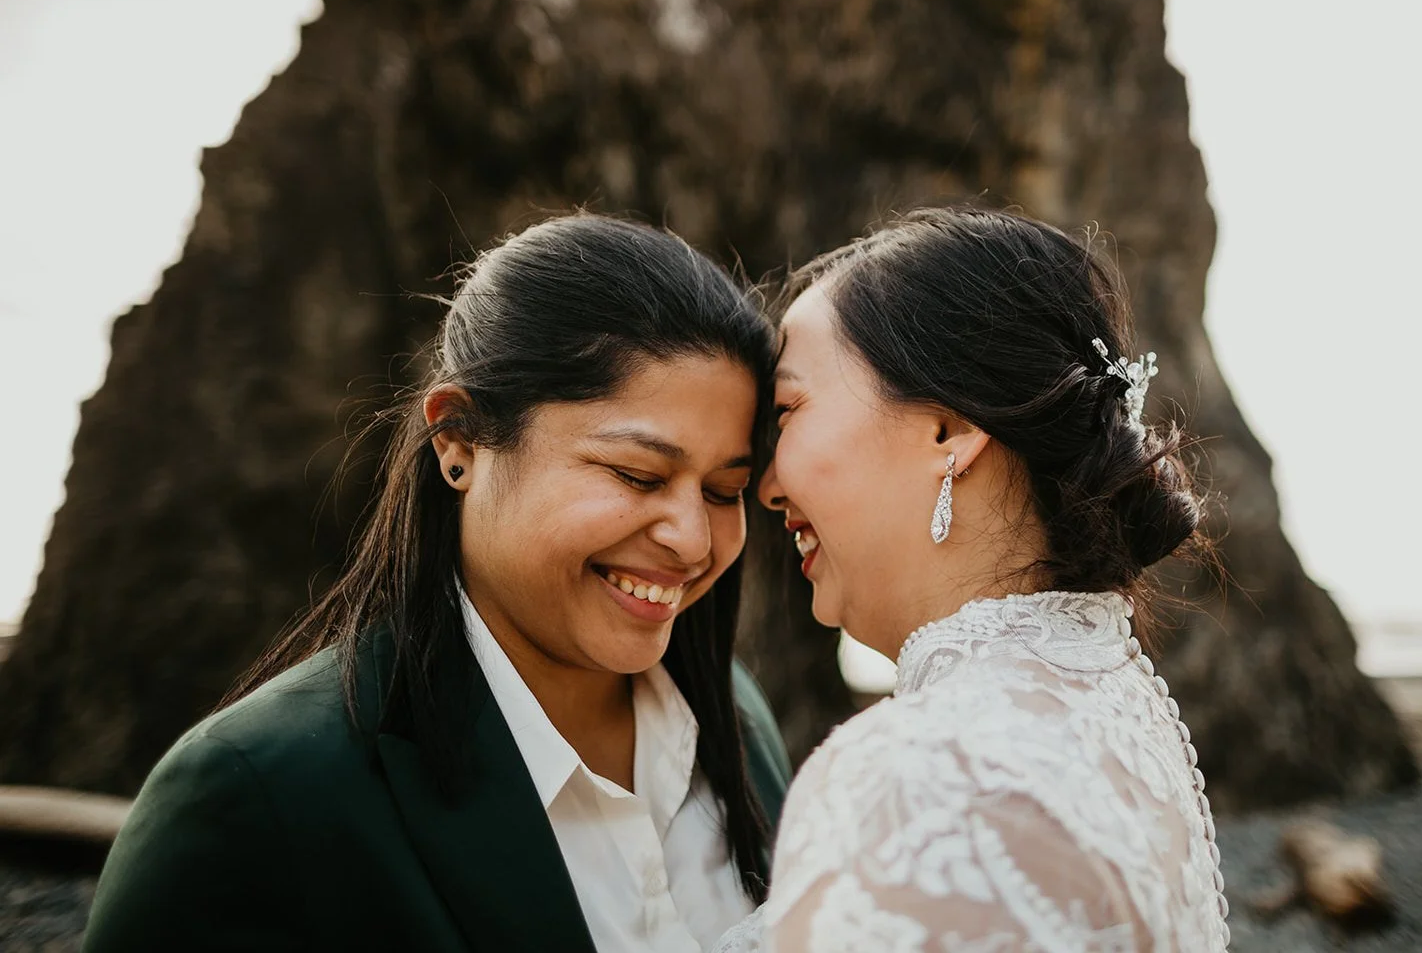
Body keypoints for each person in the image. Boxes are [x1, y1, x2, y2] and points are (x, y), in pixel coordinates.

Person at [84, 214, 792, 953]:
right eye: (637, 475)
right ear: (459, 441)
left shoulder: (736, 716)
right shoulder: (255, 800)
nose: (693, 538)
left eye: (723, 490)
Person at [716, 207, 1229, 952]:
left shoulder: (918, 775)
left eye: (790, 411)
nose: (766, 486)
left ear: (949, 432)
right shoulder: (1119, 709)